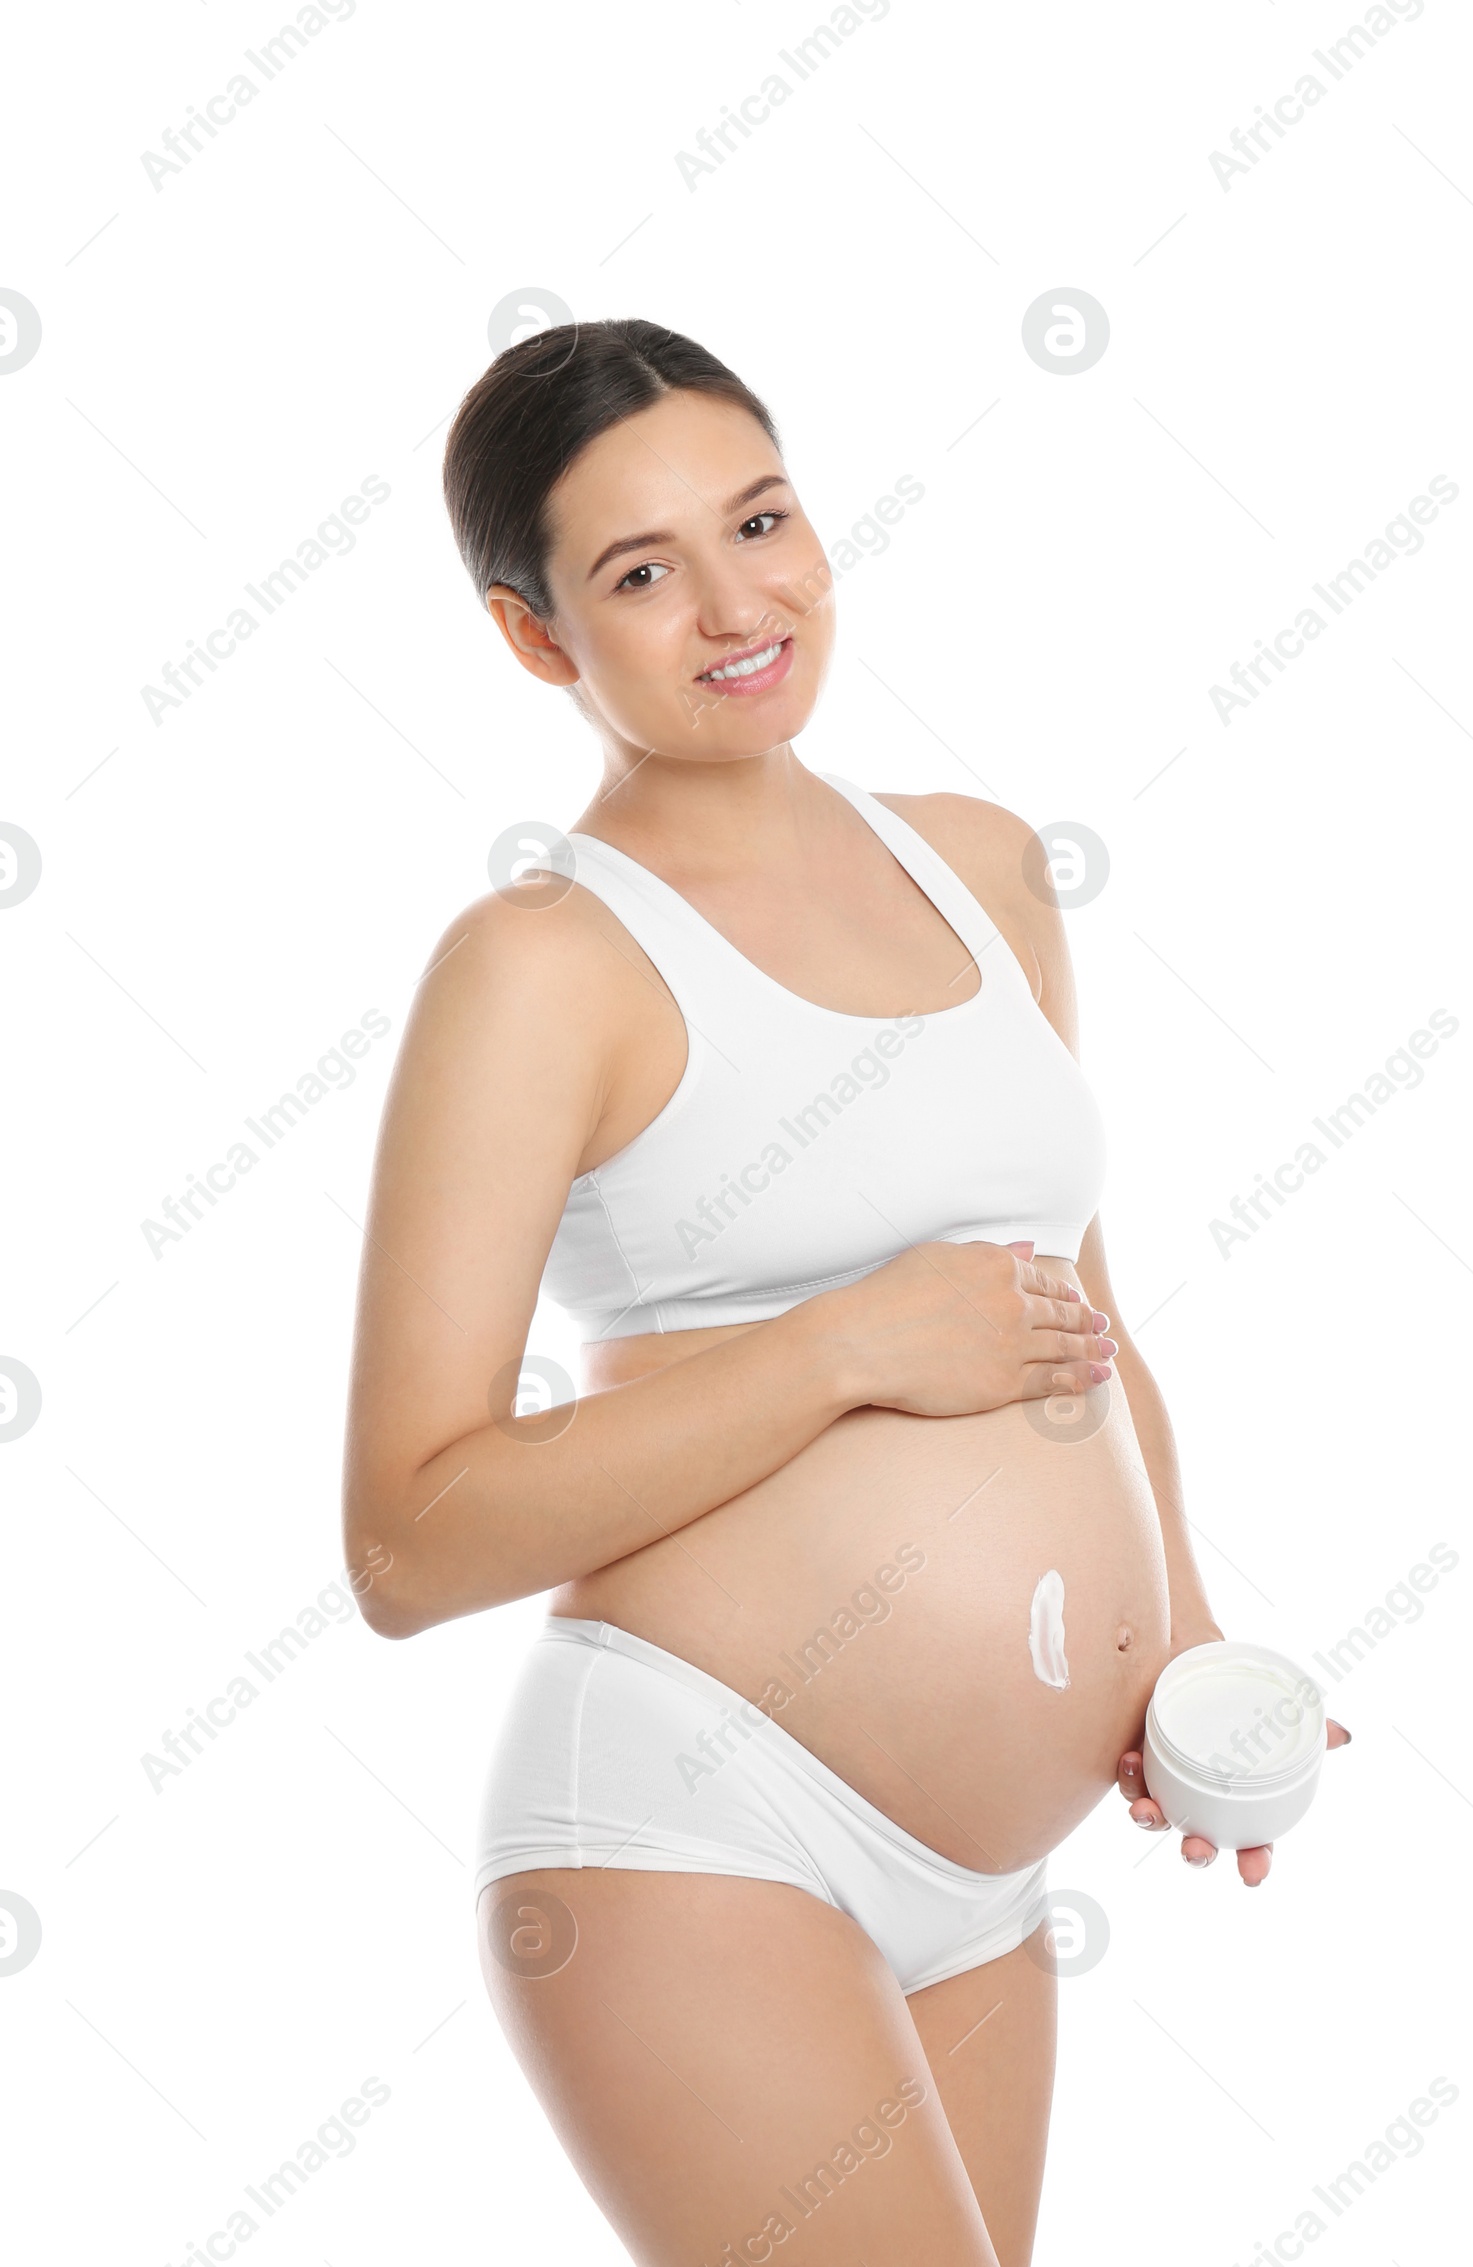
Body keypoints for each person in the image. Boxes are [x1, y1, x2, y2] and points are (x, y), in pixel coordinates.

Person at [340, 318, 1349, 2267]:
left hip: (980, 1872)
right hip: (696, 1827)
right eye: (640, 572)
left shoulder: (980, 866)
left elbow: (1084, 1322)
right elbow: (408, 1536)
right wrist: (836, 1352)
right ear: (536, 637)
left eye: (760, 519)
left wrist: (1186, 1664)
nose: (737, 603)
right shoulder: (538, 967)